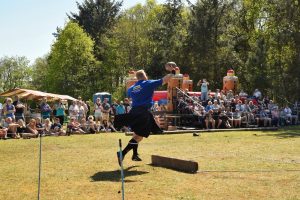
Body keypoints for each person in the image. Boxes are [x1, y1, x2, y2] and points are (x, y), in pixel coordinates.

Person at [114, 69, 172, 164]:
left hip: (134, 112)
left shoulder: (131, 88)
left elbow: (129, 95)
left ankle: (135, 154)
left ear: (137, 78)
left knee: (136, 134)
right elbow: (164, 80)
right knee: (139, 137)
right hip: (143, 113)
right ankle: (122, 153)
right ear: (144, 76)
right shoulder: (147, 83)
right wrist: (172, 72)